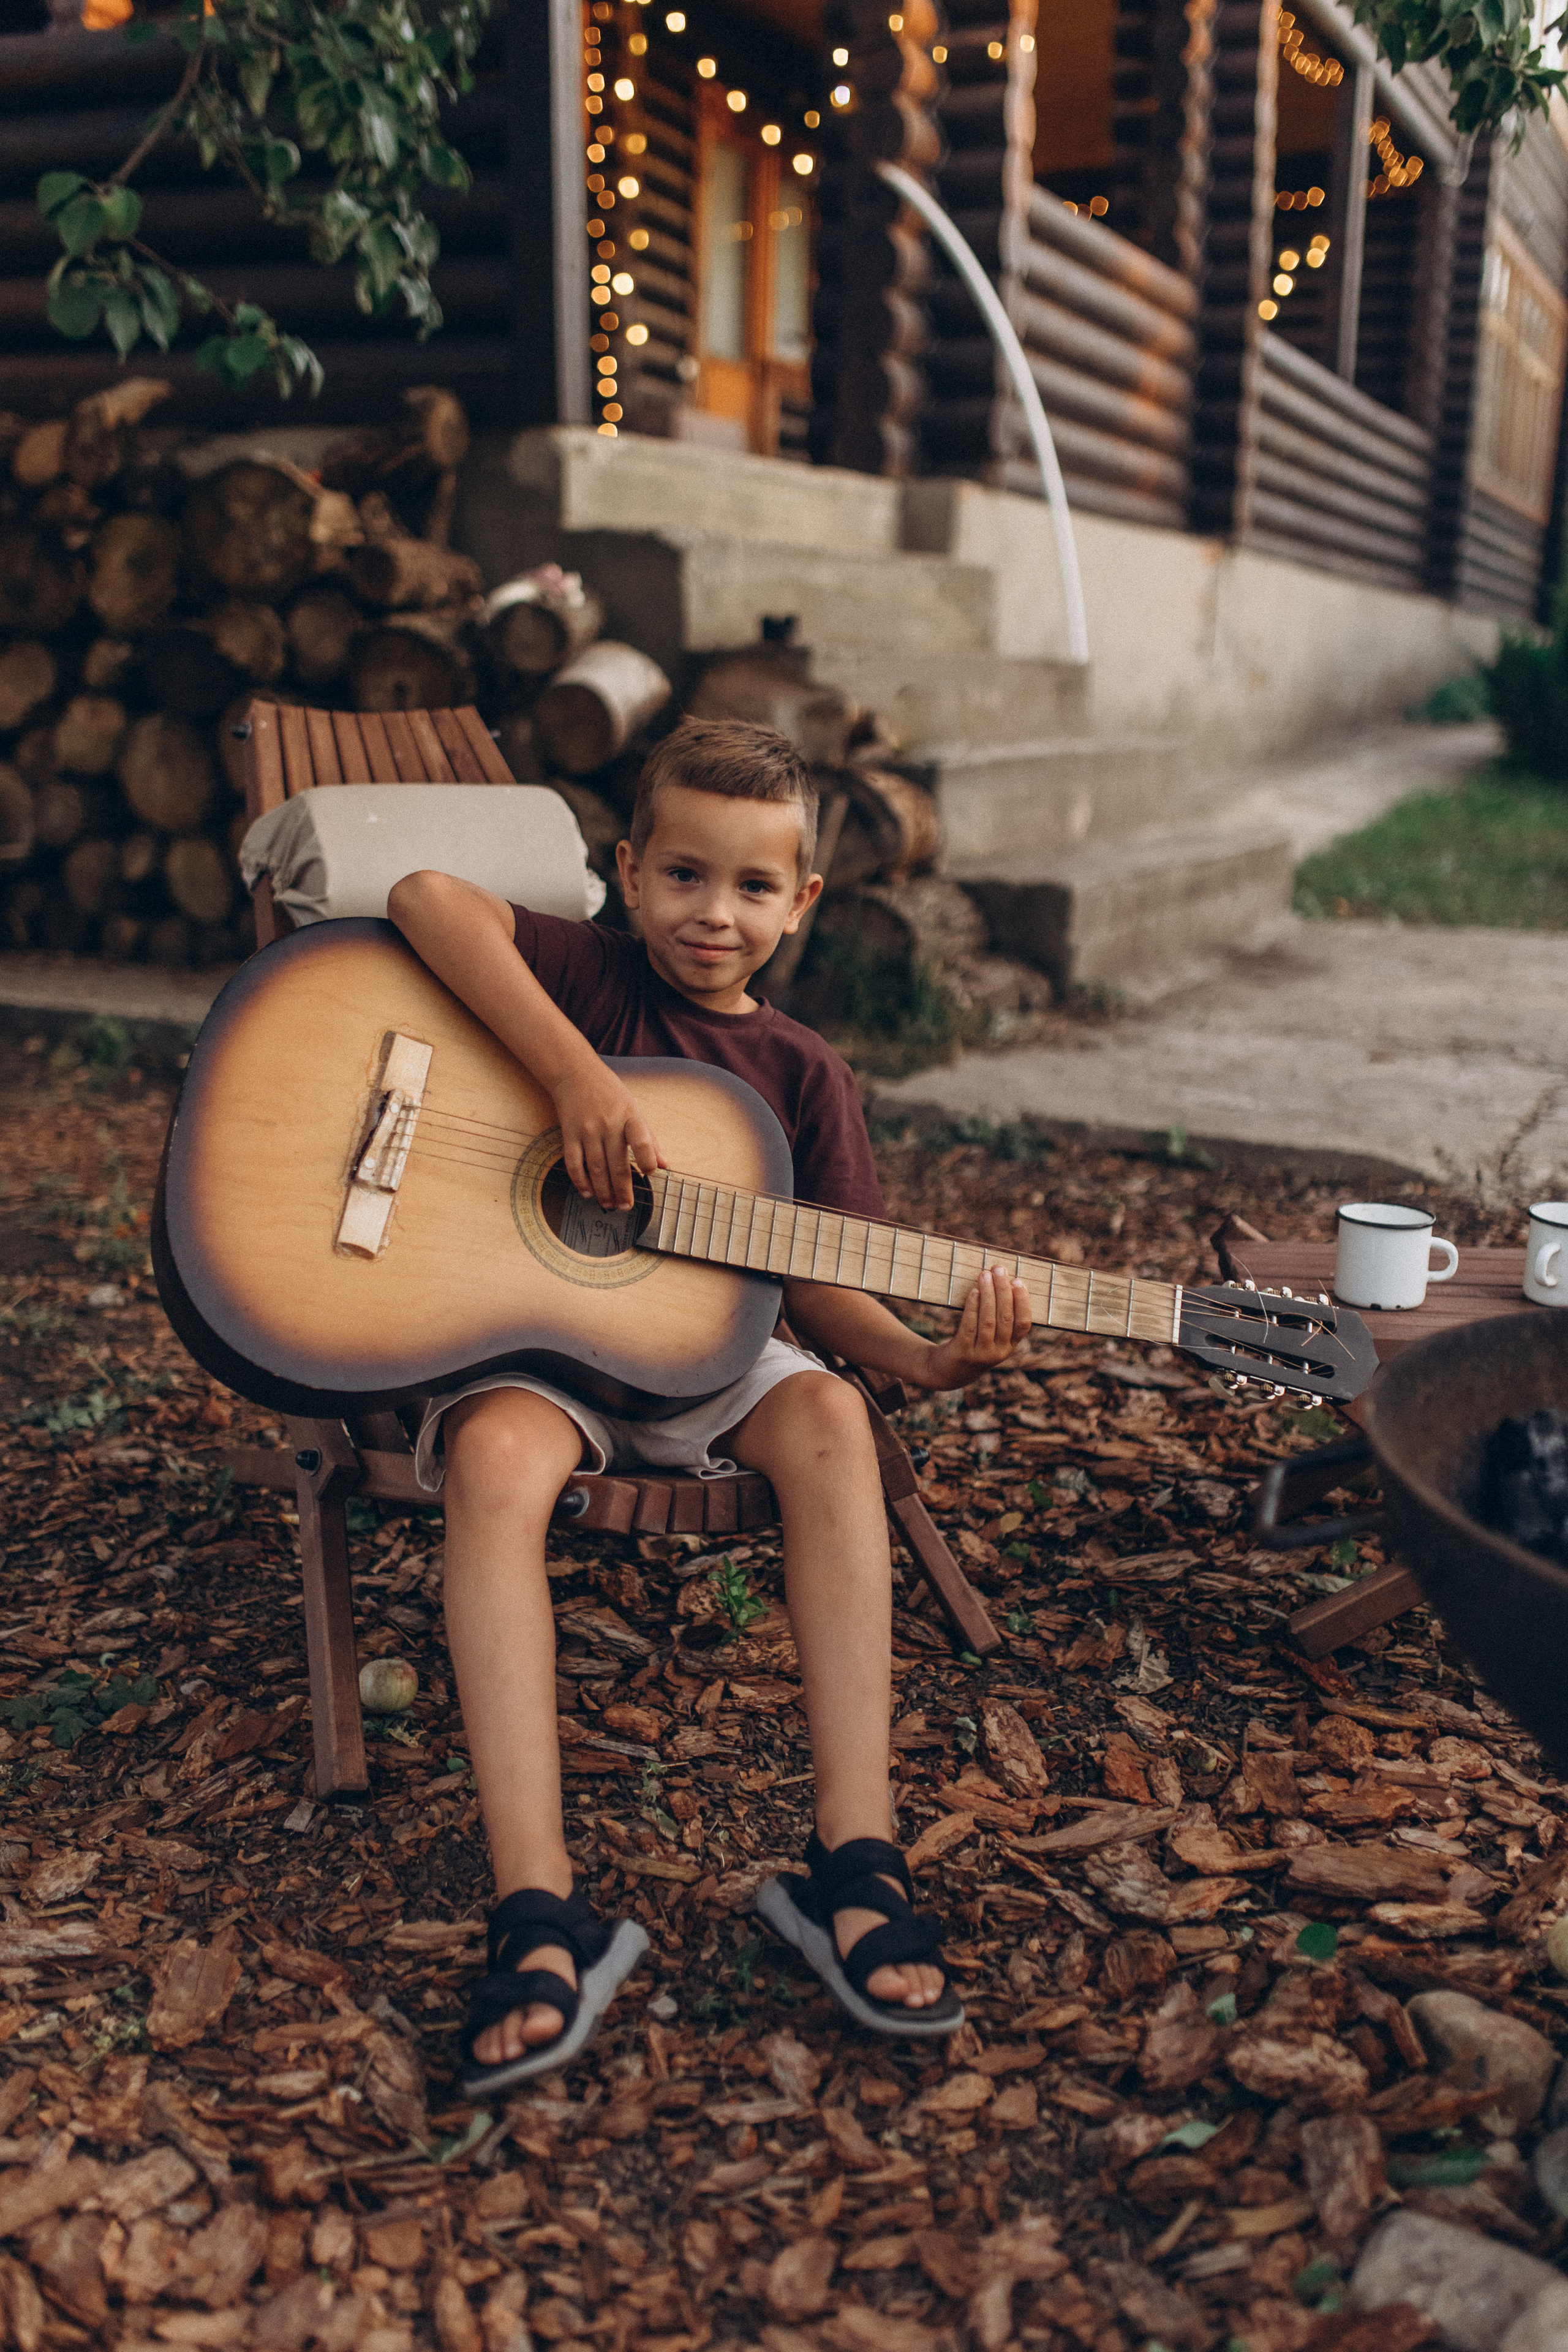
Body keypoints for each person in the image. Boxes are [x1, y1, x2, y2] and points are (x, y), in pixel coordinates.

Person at [388, 717, 1030, 2096]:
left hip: (719, 1352)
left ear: (801, 904)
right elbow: (424, 902)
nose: (712, 915)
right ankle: (538, 1912)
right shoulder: (590, 984)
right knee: (495, 1462)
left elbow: (821, 1293)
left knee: (832, 1421)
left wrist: (922, 1364)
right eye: (683, 875)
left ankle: (853, 1866)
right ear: (626, 874)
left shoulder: (801, 1074)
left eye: (751, 888)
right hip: (543, 1351)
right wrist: (573, 1078)